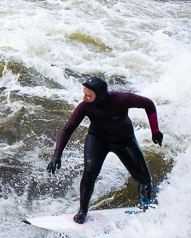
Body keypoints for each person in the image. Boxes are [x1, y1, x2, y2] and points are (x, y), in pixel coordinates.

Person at [46, 77, 164, 224]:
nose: (84, 98)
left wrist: (155, 131)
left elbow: (149, 104)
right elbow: (67, 129)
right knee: (89, 173)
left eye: (88, 95)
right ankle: (82, 211)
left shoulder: (122, 99)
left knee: (144, 180)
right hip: (98, 140)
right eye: (84, 94)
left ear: (100, 95)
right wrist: (57, 155)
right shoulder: (85, 107)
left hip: (125, 141)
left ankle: (146, 208)